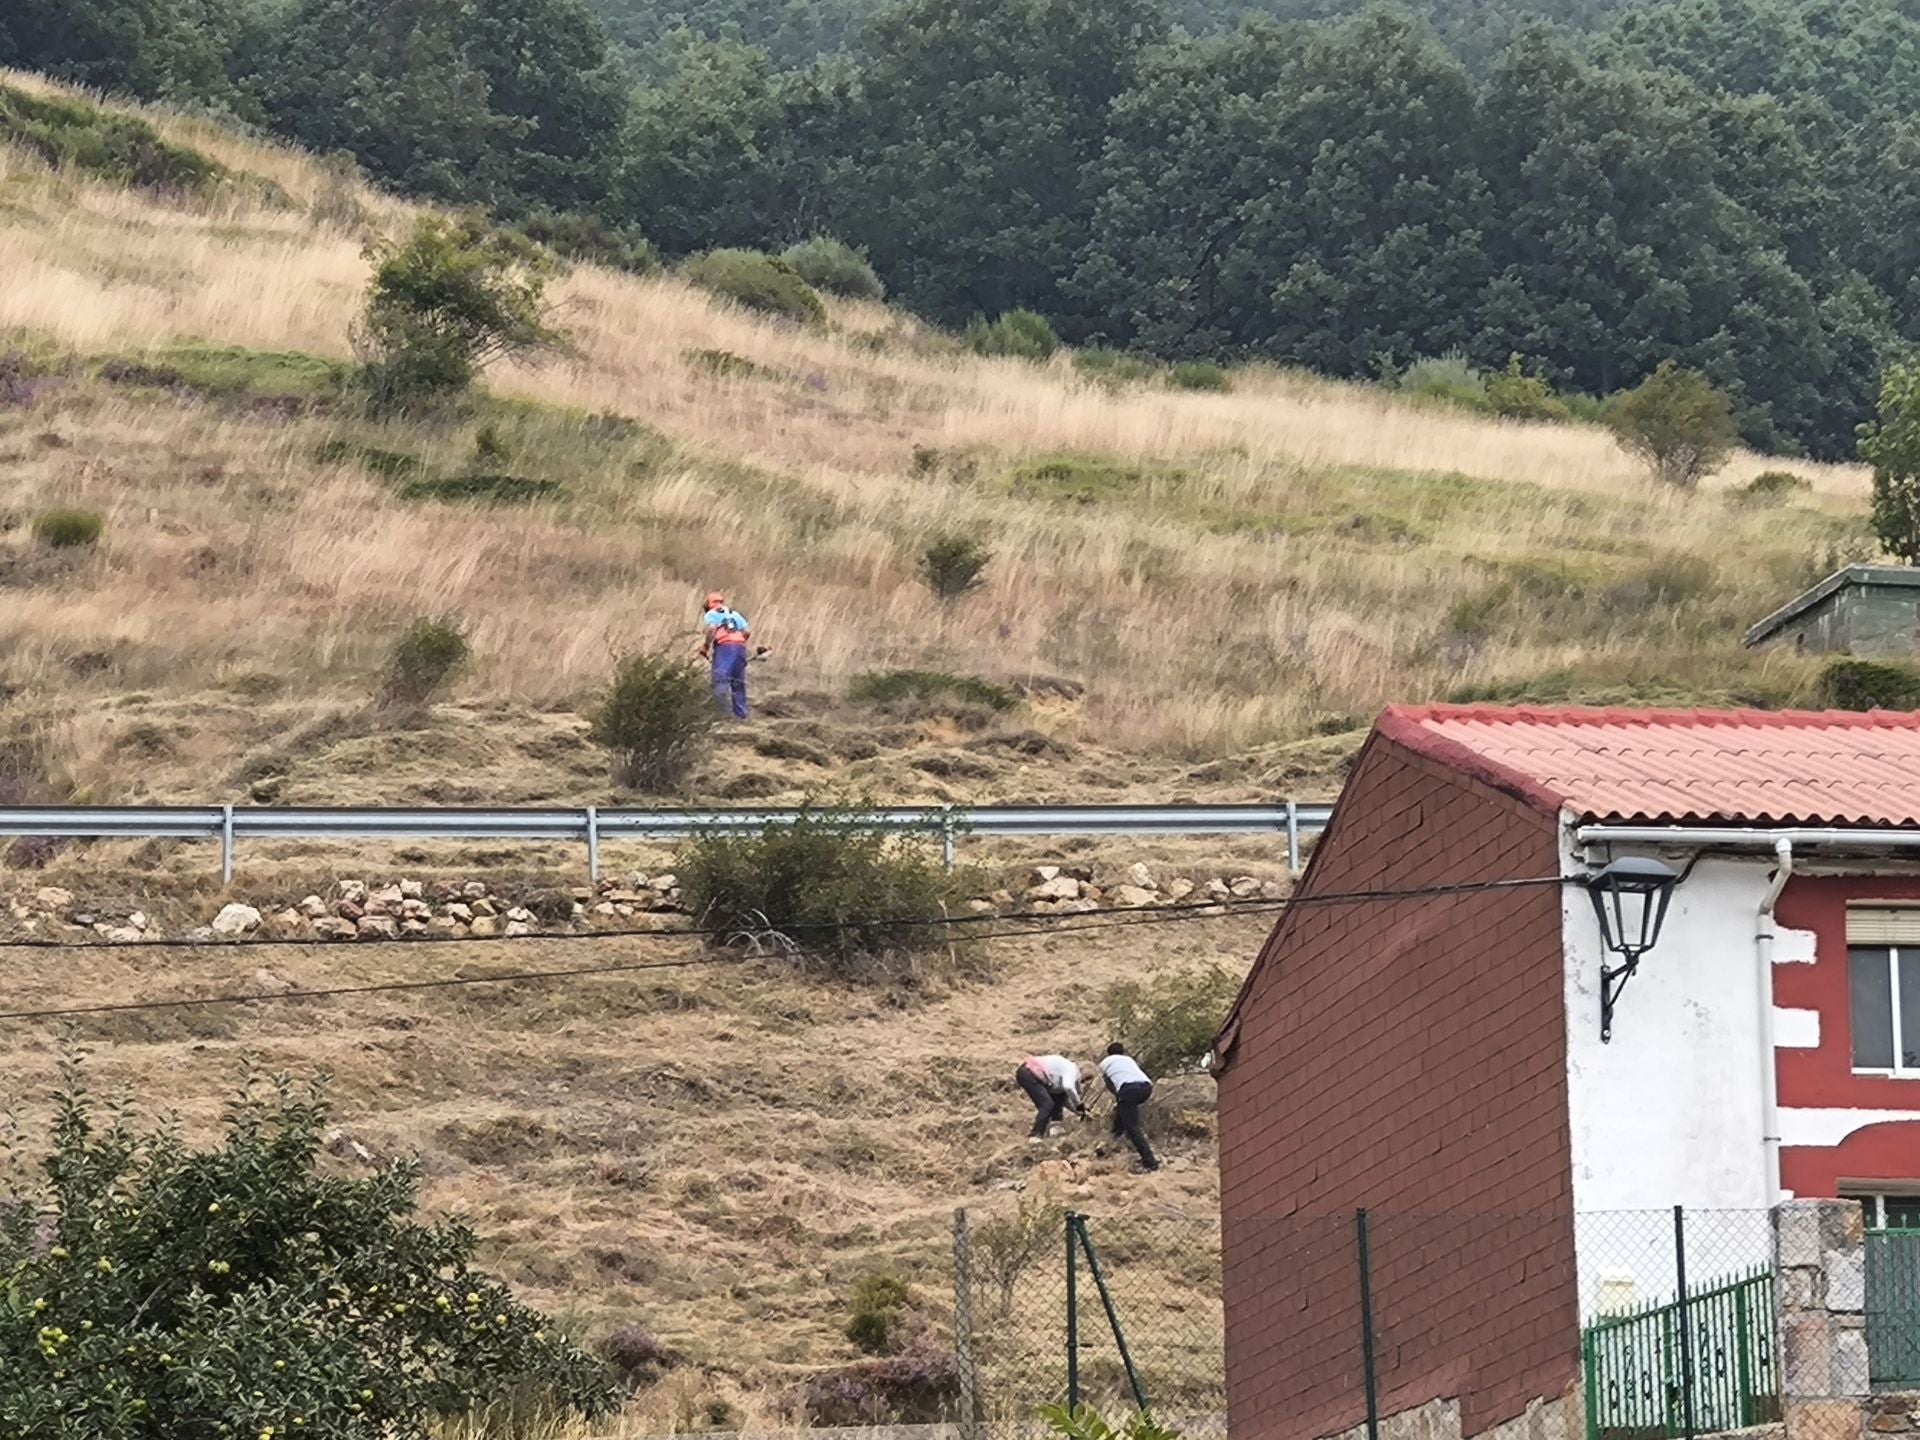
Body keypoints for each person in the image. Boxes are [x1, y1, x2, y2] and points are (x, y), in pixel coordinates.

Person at [1099, 1043, 1160, 1172]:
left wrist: (1118, 1095)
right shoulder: (1129, 1059)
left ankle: (1150, 1163)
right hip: (1146, 1087)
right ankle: (1114, 1140)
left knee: (1132, 1128)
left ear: (1108, 1053)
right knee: (1122, 1112)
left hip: (1128, 1088)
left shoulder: (1105, 1062)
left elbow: (1110, 1083)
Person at [699, 590, 752, 721]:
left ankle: (721, 716)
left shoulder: (711, 614)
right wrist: (737, 642)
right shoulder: (734, 614)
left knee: (720, 680)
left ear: (709, 604)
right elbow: (747, 631)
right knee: (738, 682)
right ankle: (741, 715)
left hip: (725, 647)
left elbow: (711, 629)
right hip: (740, 647)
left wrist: (706, 646)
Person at [1014, 1054, 1084, 1143]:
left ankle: (1056, 1128)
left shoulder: (1060, 1072)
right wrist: (1078, 1104)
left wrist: (1079, 1112)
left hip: (1029, 1072)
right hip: (1029, 1072)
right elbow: (1069, 1087)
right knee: (1046, 1104)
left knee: (1058, 1096)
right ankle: (1035, 1135)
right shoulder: (1071, 1070)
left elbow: (1065, 1100)